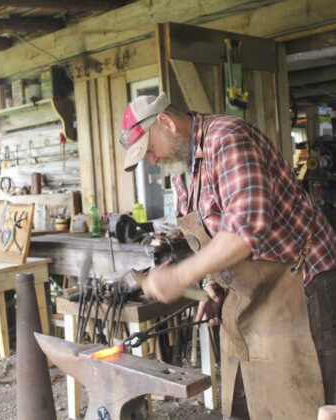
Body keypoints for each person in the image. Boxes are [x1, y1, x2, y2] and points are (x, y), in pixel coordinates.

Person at [119, 92, 336, 419]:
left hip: (304, 285)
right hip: (252, 292)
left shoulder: (229, 139)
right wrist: (216, 284)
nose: (151, 160)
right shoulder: (182, 171)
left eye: (149, 149)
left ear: (166, 122)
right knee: (253, 399)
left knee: (309, 401)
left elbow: (245, 230)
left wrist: (180, 276)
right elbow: (214, 235)